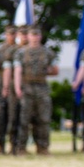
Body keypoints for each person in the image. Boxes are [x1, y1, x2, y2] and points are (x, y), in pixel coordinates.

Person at [13, 22, 58, 154]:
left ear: (40, 36)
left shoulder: (48, 52)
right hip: (26, 87)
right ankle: (21, 147)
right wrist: (17, 87)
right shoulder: (21, 53)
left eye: (37, 34)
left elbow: (55, 70)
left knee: (43, 118)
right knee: (24, 119)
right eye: (32, 35)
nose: (35, 37)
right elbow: (17, 71)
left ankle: (43, 147)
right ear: (28, 36)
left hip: (42, 87)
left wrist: (45, 71)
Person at [0, 23, 18, 154]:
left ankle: (15, 144)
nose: (12, 36)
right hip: (2, 85)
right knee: (1, 115)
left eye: (14, 33)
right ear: (6, 35)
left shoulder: (20, 49)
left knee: (15, 116)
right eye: (10, 34)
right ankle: (0, 145)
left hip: (17, 84)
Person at [8, 25, 28, 154]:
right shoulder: (13, 51)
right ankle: (13, 145)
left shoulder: (32, 51)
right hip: (14, 87)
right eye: (21, 34)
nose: (24, 37)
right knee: (14, 116)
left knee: (26, 118)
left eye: (26, 34)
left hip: (30, 86)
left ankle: (23, 146)